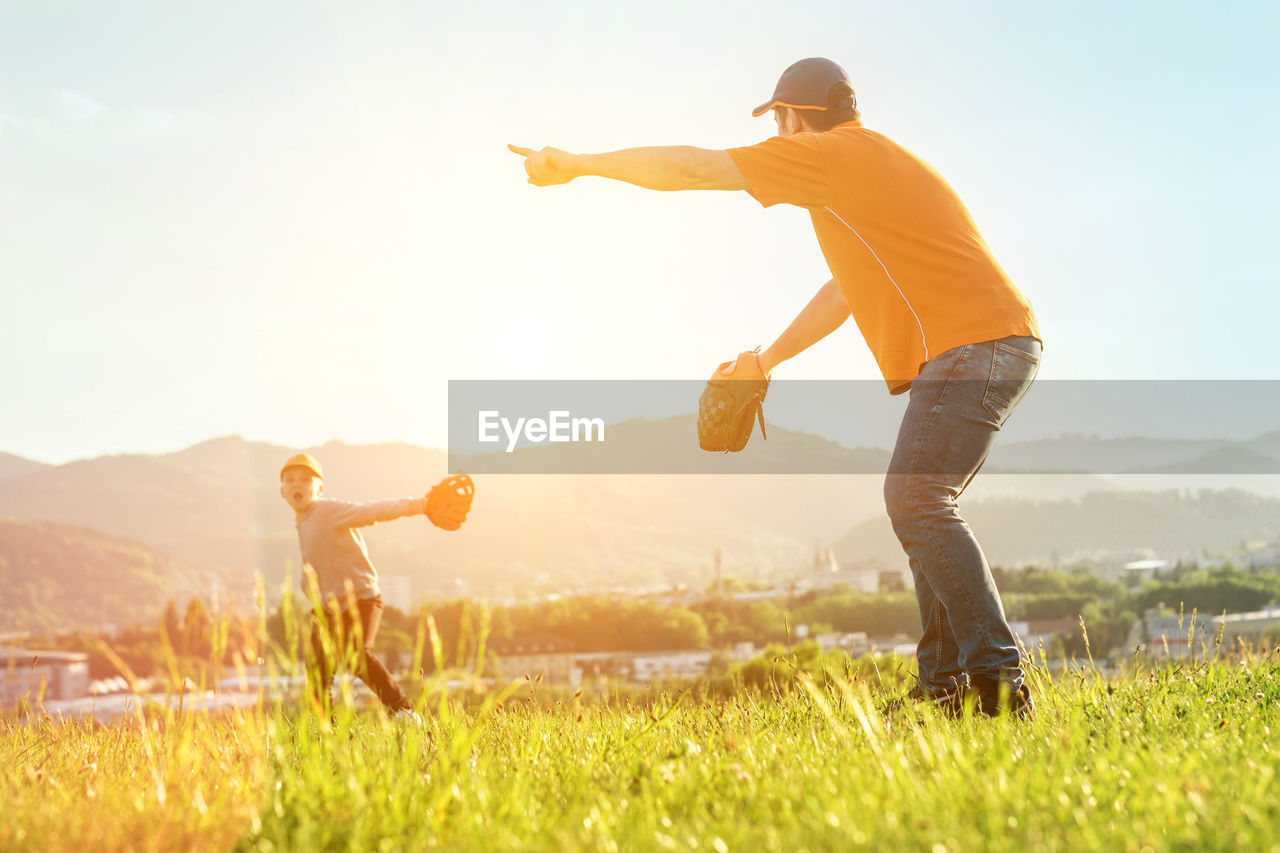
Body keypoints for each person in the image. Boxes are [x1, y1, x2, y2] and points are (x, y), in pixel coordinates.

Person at [510, 57, 1041, 717]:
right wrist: (765, 361)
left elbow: (692, 168)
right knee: (920, 505)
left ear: (796, 116)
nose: (778, 133)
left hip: (977, 344)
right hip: (986, 343)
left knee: (918, 500)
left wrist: (580, 163)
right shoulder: (860, 170)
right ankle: (948, 685)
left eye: (779, 119)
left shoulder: (828, 155)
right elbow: (845, 291)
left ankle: (996, 683)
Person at [280, 452, 424, 723]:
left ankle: (403, 712)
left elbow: (372, 511)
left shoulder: (326, 510)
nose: (297, 484)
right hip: (328, 609)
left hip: (362, 598)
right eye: (290, 480)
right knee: (317, 674)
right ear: (282, 491)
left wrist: (422, 504)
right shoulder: (303, 521)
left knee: (356, 654)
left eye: (305, 480)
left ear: (320, 488)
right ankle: (328, 732)